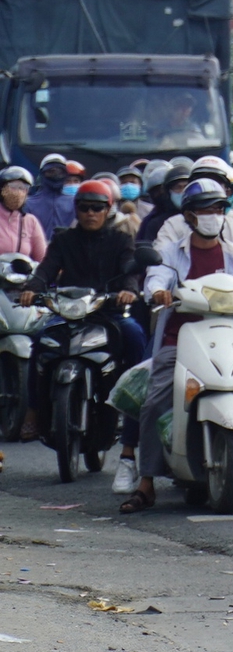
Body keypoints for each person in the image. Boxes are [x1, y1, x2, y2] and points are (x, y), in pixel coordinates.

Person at [125, 178, 233, 512]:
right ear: (189, 215)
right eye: (204, 209)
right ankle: (146, 483)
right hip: (181, 338)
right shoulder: (172, 253)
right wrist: (159, 292)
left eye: (218, 208)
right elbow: (156, 279)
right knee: (157, 398)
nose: (212, 215)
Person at [20, 179, 144, 444]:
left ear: (108, 210)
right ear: (76, 209)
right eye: (85, 207)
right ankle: (32, 410)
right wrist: (32, 289)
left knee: (134, 335)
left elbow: (130, 271)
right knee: (39, 341)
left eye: (97, 208)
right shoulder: (64, 239)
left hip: (107, 312)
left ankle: (137, 404)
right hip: (68, 312)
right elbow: (46, 269)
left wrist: (128, 291)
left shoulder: (121, 240)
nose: (91, 213)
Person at [154, 156, 233, 277]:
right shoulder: (174, 225)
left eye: (215, 183)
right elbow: (160, 266)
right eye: (202, 183)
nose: (208, 188)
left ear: (227, 191)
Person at [0, 167, 48, 261]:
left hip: (21, 275)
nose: (18, 192)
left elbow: (43, 259)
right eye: (13, 187)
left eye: (23, 188)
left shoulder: (30, 221)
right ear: (2, 189)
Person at [25, 153, 76, 234]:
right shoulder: (29, 203)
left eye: (60, 172)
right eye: (51, 172)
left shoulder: (74, 202)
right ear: (42, 174)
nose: (56, 176)